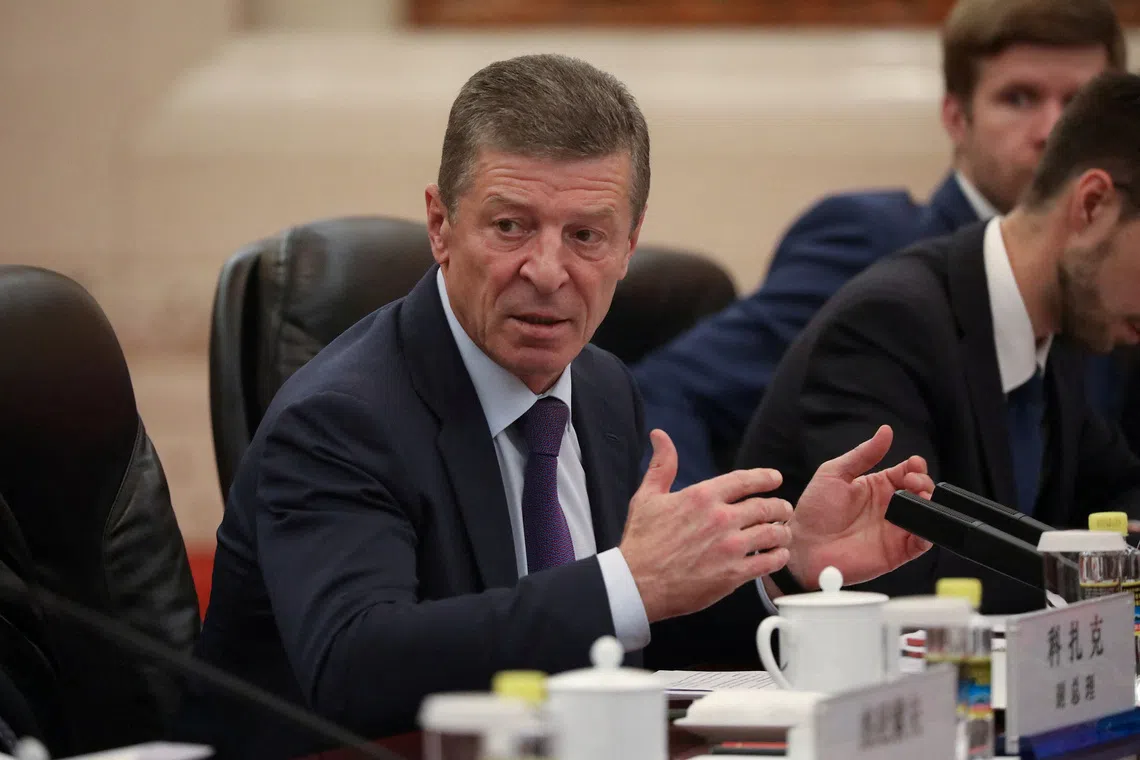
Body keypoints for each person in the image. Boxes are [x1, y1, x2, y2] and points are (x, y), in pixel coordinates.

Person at [177, 54, 934, 759]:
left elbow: (632, 621)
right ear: (441, 225)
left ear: (630, 244)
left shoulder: (602, 387)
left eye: (586, 236)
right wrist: (628, 582)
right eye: (510, 227)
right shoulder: (341, 418)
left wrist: (790, 563)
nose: (547, 271)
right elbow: (357, 664)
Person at [632, 0, 1129, 489]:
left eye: (1076, 106)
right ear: (956, 117)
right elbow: (668, 393)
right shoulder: (873, 245)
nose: (1051, 131)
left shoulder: (1109, 273)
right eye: (1018, 98)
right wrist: (707, 551)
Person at [736, 70, 1140, 616]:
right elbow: (906, 571)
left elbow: (1118, 494)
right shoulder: (889, 326)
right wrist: (1109, 581)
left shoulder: (1060, 326)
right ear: (1092, 205)